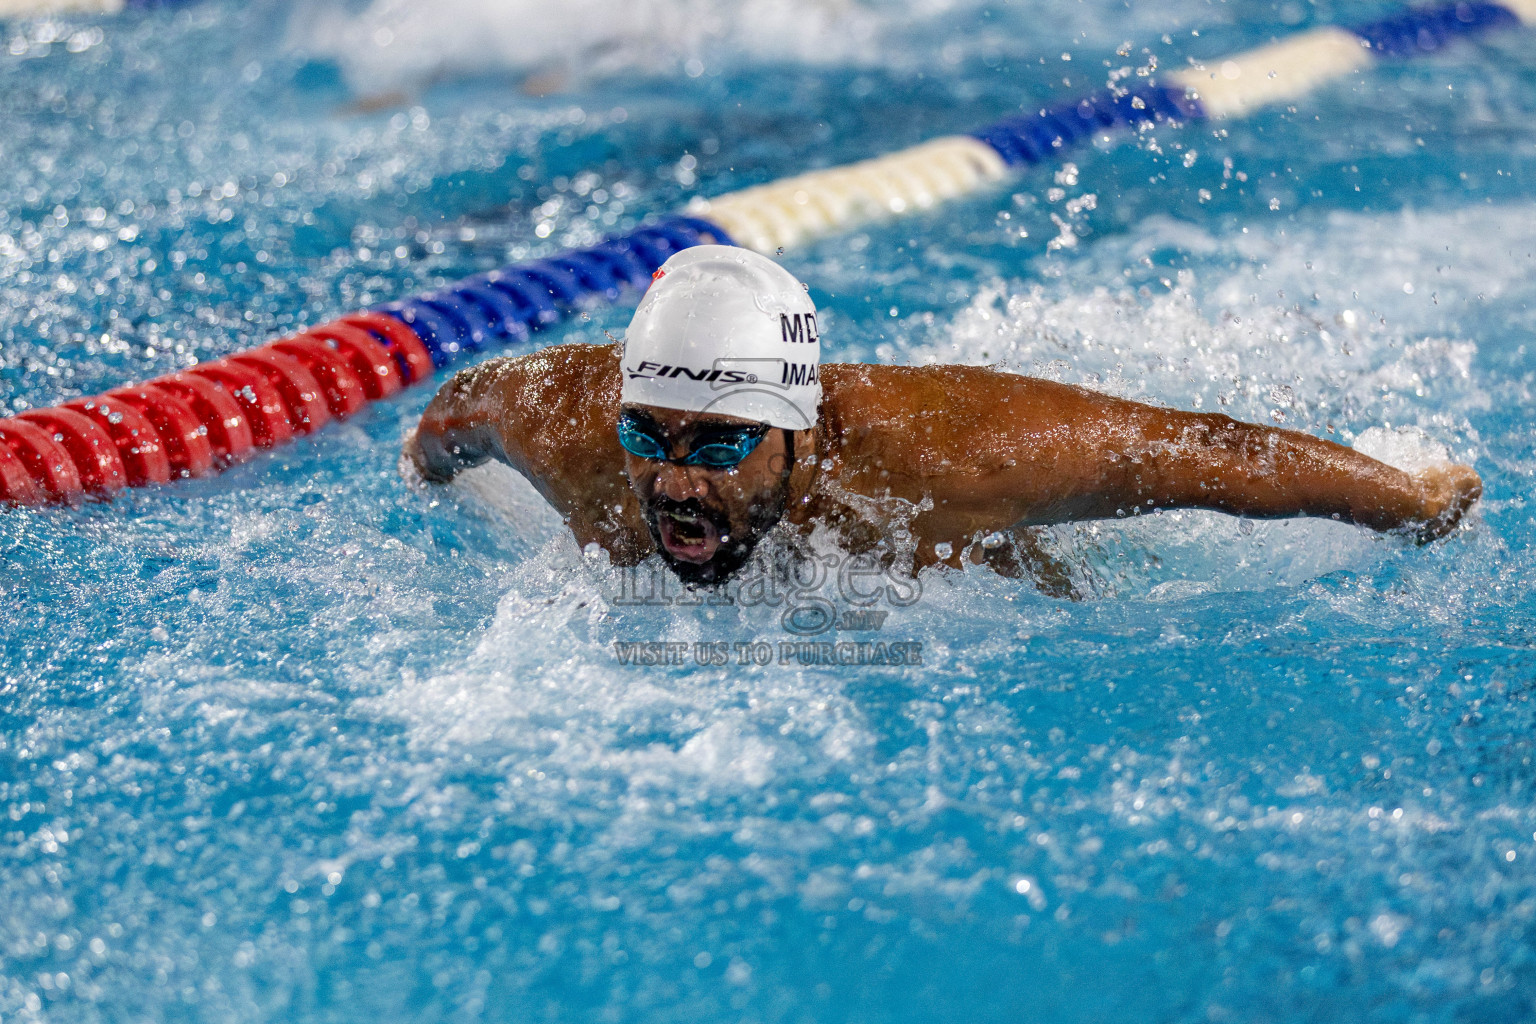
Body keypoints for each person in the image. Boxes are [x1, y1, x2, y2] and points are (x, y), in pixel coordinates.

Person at [402, 245, 1481, 590]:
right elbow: (454, 417)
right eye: (654, 438)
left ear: (799, 427)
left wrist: (1410, 499)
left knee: (1011, 569)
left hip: (953, 568)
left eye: (723, 446)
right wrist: (425, 471)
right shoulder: (570, 421)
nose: (674, 481)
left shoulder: (943, 453)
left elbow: (1200, 452)